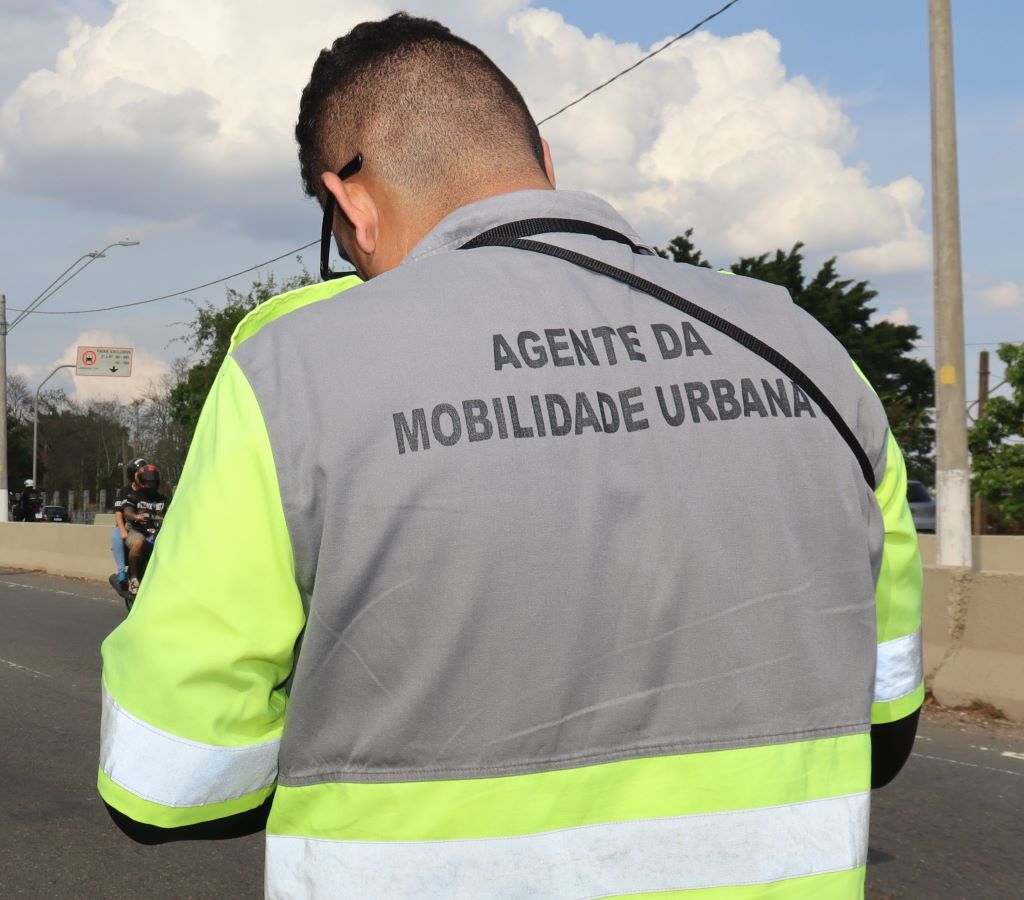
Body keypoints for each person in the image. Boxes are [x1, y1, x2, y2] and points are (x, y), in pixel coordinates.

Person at [98, 13, 922, 898]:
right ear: (544, 166)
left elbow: (165, 783)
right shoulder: (807, 355)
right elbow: (884, 725)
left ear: (352, 209)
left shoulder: (295, 373)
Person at [118, 464, 169, 596]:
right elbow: (127, 512)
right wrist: (136, 516)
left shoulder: (163, 499)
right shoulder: (132, 497)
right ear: (140, 481)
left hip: (159, 533)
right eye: (147, 481)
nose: (149, 484)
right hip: (137, 531)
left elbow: (174, 512)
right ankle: (133, 579)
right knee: (138, 543)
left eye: (152, 481)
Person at [109, 458, 147, 597]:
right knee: (117, 534)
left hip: (146, 527)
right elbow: (119, 512)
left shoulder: (149, 490)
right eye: (140, 473)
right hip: (128, 526)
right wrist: (123, 530)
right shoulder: (125, 492)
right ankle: (121, 572)